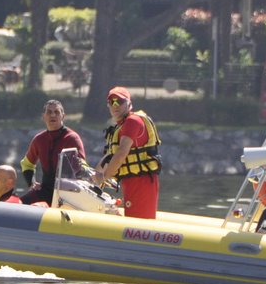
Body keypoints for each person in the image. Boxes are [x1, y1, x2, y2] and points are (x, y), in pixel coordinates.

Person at [92, 86, 161, 219]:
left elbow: (121, 153)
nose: (115, 105)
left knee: (138, 226)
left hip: (141, 182)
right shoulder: (121, 125)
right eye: (111, 102)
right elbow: (110, 155)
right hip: (130, 182)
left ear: (129, 103)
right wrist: (95, 177)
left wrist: (104, 177)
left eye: (119, 101)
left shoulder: (132, 121)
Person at [18, 99, 85, 206]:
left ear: (63, 116)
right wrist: (31, 183)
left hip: (67, 194)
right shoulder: (39, 139)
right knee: (18, 204)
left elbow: (82, 167)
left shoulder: (72, 138)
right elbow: (26, 164)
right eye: (49, 112)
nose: (53, 115)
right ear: (43, 116)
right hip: (45, 191)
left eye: (57, 112)